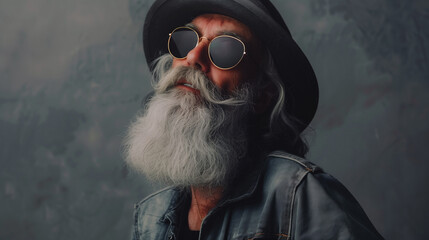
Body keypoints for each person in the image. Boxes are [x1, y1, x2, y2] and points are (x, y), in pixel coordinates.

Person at [124, 0, 384, 239]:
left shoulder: (300, 196)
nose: (193, 57)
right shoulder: (151, 219)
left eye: (226, 49)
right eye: (186, 40)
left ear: (261, 96)